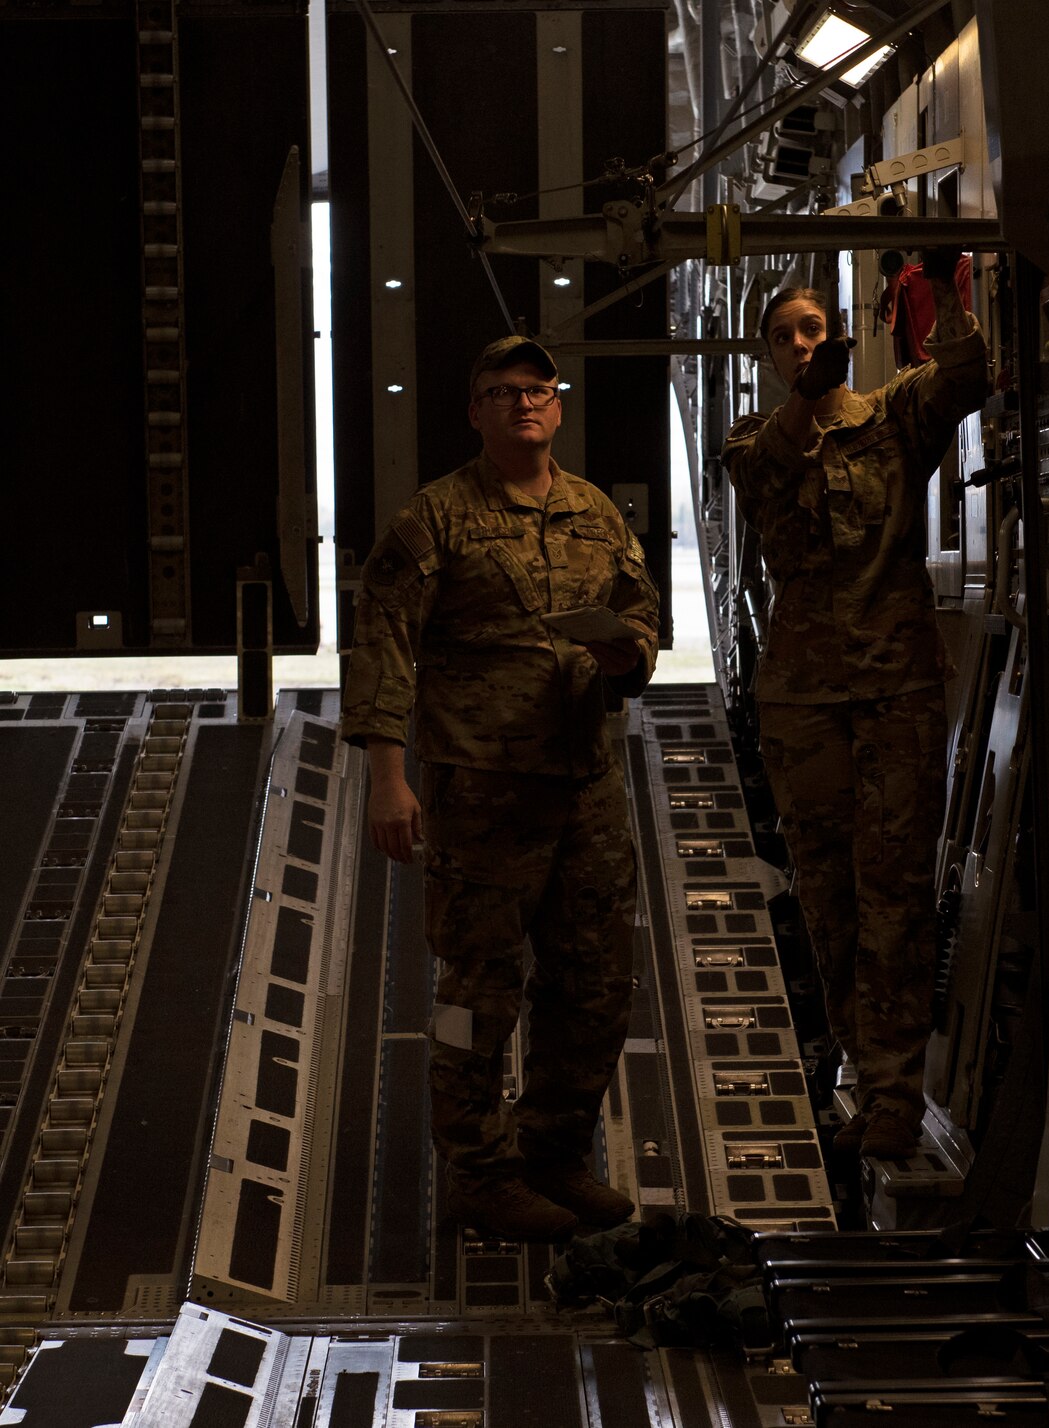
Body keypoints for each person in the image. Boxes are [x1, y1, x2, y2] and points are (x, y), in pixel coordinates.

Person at [340, 335, 661, 1241]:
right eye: (503, 390)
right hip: (480, 791)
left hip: (584, 788)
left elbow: (644, 622)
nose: (525, 403)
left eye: (539, 389)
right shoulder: (435, 520)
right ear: (475, 409)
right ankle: (477, 1173)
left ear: (558, 406)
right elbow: (382, 647)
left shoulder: (596, 514)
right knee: (473, 996)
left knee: (596, 986)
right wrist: (388, 780)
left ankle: (550, 1154)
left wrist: (625, 652)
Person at [721, 249, 989, 1159]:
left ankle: (893, 1095)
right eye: (784, 338)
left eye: (814, 331)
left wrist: (949, 295)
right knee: (832, 898)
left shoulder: (895, 418)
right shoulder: (754, 438)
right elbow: (766, 475)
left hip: (895, 689)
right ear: (766, 356)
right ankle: (853, 1058)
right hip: (803, 699)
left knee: (898, 894)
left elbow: (962, 378)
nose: (801, 346)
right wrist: (812, 398)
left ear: (837, 335)